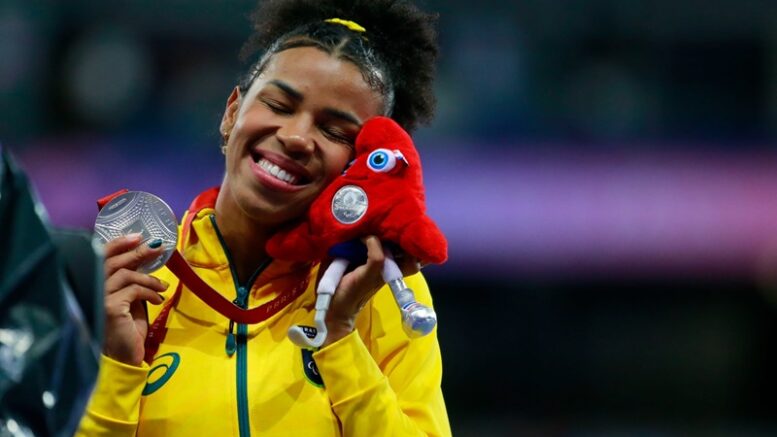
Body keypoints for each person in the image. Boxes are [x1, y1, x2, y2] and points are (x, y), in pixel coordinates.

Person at [76, 0, 449, 435]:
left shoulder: (381, 292)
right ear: (232, 112)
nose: (295, 137)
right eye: (279, 104)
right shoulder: (133, 282)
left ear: (360, 163)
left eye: (333, 131)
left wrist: (340, 336)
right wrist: (117, 365)